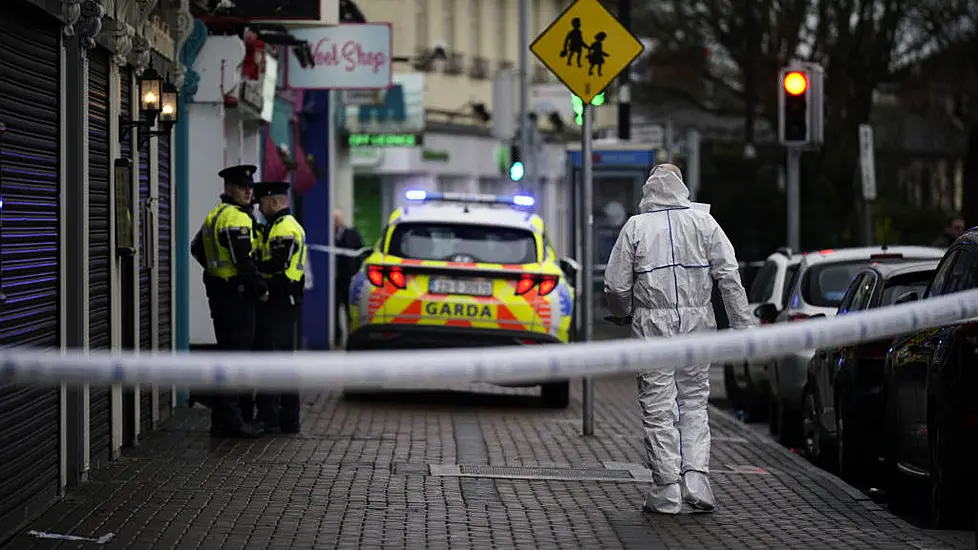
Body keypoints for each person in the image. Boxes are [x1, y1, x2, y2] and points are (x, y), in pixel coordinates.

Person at [603, 163, 754, 514]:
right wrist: (744, 329)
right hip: (699, 321)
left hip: (652, 324)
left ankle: (667, 488)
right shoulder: (704, 223)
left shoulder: (636, 226)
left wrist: (623, 311)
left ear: (649, 188)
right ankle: (697, 479)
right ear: (681, 186)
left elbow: (615, 284)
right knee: (693, 401)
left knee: (658, 406)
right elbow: (730, 277)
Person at [190, 164, 267, 439]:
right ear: (229, 189)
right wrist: (259, 285)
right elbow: (242, 259)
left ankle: (222, 420)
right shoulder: (236, 218)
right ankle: (232, 422)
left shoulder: (215, 215)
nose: (248, 192)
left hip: (220, 294)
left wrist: (214, 272)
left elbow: (196, 247)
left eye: (250, 188)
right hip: (236, 295)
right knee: (236, 356)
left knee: (227, 354)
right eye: (243, 187)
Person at [252, 181, 306, 434]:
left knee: (275, 359)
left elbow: (276, 263)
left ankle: (275, 418)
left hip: (280, 301)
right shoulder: (276, 227)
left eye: (261, 203)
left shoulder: (284, 229)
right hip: (282, 301)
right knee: (281, 359)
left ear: (274, 201)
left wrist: (251, 271)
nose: (259, 209)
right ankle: (284, 418)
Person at [333, 210, 364, 348]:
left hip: (348, 279)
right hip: (333, 281)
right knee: (333, 311)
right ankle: (337, 338)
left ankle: (351, 339)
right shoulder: (328, 236)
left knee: (349, 311)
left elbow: (360, 254)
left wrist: (356, 273)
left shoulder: (352, 234)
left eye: (336, 219)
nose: (335, 223)